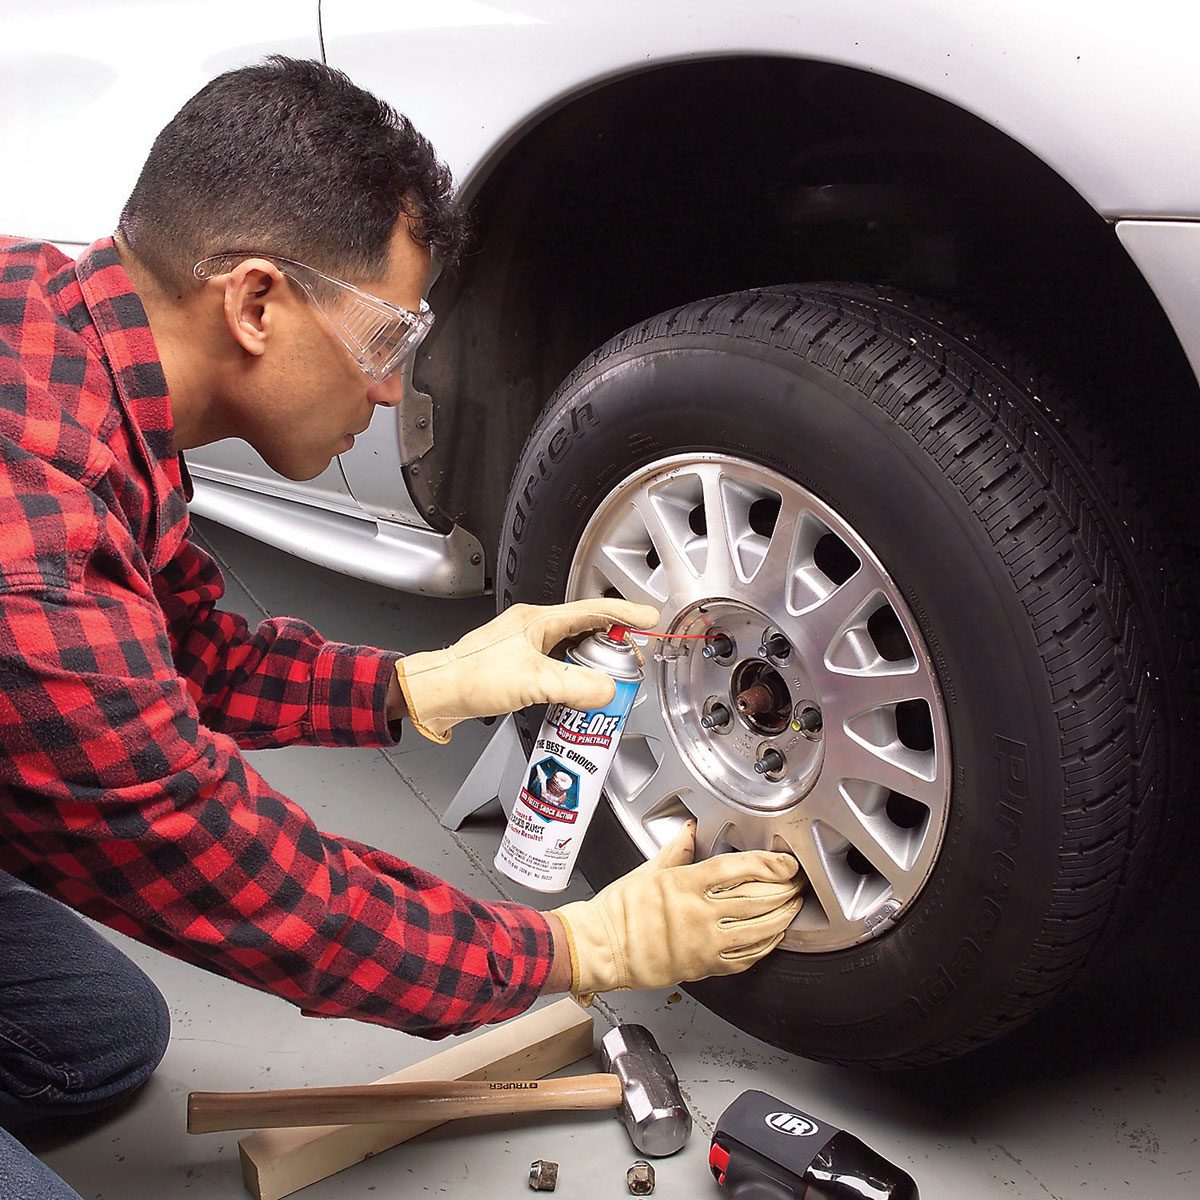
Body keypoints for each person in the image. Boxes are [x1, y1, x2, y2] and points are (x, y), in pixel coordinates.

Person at [0, 57, 805, 1197]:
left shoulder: (57, 331)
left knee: (94, 1040)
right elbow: (247, 883)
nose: (392, 393)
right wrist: (578, 950)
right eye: (385, 342)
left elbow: (180, 651)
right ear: (256, 302)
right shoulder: (29, 557)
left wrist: (417, 682)